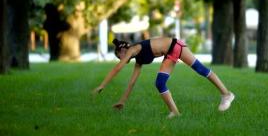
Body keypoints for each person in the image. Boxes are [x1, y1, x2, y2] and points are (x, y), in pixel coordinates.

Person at [92, 37, 235, 118]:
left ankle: (226, 94)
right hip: (169, 54)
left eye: (119, 56)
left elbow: (118, 68)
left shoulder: (133, 49)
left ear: (123, 50)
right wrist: (122, 101)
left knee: (200, 69)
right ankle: (175, 112)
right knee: (160, 83)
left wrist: (102, 85)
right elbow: (132, 82)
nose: (120, 59)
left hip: (175, 46)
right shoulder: (138, 59)